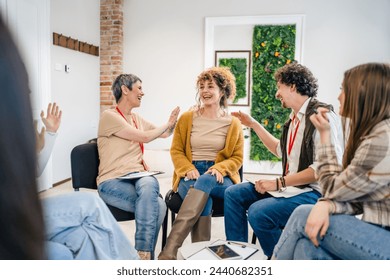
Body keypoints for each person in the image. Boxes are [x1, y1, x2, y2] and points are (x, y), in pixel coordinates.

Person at [0, 16, 138, 260]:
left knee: (76, 242)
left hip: (14, 212)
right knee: (89, 206)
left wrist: (50, 134)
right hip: (9, 218)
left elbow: (34, 173)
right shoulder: (111, 116)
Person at [224, 62, 344, 259]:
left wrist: (278, 182)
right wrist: (254, 124)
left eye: (279, 87)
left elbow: (322, 168)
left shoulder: (322, 115)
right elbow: (280, 150)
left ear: (292, 87)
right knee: (234, 194)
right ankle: (238, 258)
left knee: (258, 213)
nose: (276, 94)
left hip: (316, 193)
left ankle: (282, 260)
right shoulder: (293, 119)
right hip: (293, 189)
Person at [273, 62, 390, 260]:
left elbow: (333, 188)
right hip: (376, 231)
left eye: (343, 89)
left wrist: (325, 138)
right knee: (306, 247)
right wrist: (328, 205)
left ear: (363, 93)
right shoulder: (374, 133)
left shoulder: (382, 139)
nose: (338, 96)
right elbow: (356, 199)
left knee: (303, 215)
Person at [158, 67, 244, 260]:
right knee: (206, 196)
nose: (205, 90)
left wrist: (220, 167)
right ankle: (200, 254)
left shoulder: (233, 123)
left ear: (222, 91)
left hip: (221, 177)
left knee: (206, 182)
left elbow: (237, 158)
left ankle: (171, 249)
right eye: (201, 86)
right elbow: (177, 150)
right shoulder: (188, 118)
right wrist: (187, 168)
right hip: (191, 174)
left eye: (210, 86)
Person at [97, 73, 180, 260]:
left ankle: (142, 256)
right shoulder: (109, 116)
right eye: (139, 88)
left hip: (137, 176)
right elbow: (144, 137)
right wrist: (167, 123)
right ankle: (145, 255)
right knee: (158, 206)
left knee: (150, 183)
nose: (143, 92)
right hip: (112, 181)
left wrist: (175, 123)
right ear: (125, 89)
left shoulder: (136, 118)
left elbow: (164, 134)